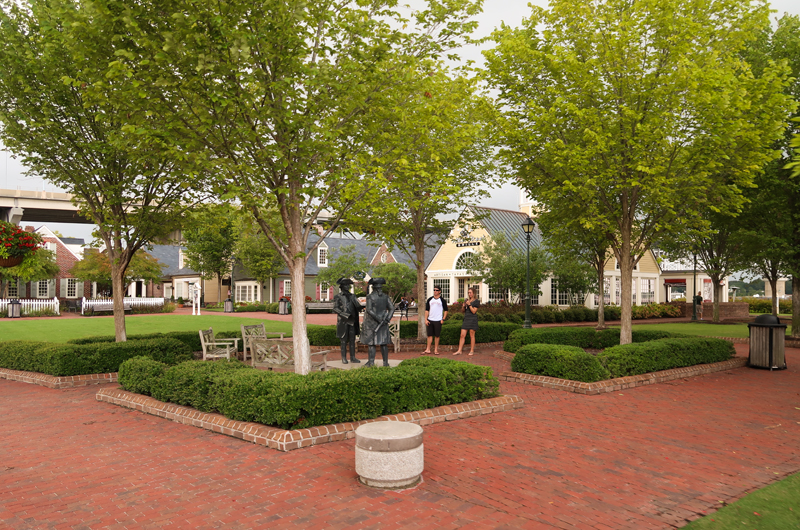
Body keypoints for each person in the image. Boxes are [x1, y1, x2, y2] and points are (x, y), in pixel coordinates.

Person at [360, 278, 395, 367]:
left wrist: (381, 319)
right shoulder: (385, 296)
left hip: (373, 322)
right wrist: (387, 318)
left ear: (373, 288)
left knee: (372, 343)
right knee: (383, 343)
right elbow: (392, 308)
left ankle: (372, 363)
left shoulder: (370, 297)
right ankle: (385, 363)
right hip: (382, 322)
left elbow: (369, 310)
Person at [332, 278, 362, 364]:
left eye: (348, 285)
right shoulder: (338, 296)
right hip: (343, 320)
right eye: (345, 285)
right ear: (341, 286)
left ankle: (353, 358)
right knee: (343, 340)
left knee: (352, 340)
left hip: (352, 320)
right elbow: (335, 308)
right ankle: (344, 358)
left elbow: (356, 306)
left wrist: (361, 306)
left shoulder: (353, 296)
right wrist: (343, 314)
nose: (347, 286)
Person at [454, 287, 480, 356]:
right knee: (462, 335)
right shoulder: (468, 300)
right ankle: (459, 350)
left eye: (470, 292)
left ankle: (472, 350)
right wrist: (463, 306)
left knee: (472, 335)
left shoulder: (476, 301)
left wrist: (469, 304)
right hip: (466, 319)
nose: (469, 294)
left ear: (473, 293)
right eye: (468, 292)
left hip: (472, 319)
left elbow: (474, 311)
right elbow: (463, 311)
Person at [423, 287, 448, 355]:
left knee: (437, 335)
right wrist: (426, 319)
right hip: (430, 319)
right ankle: (428, 349)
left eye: (436, 290)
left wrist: (443, 319)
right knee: (429, 335)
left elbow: (446, 310)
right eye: (434, 290)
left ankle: (436, 350)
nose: (435, 291)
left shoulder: (442, 300)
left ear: (439, 291)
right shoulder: (430, 299)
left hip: (438, 320)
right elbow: (426, 310)